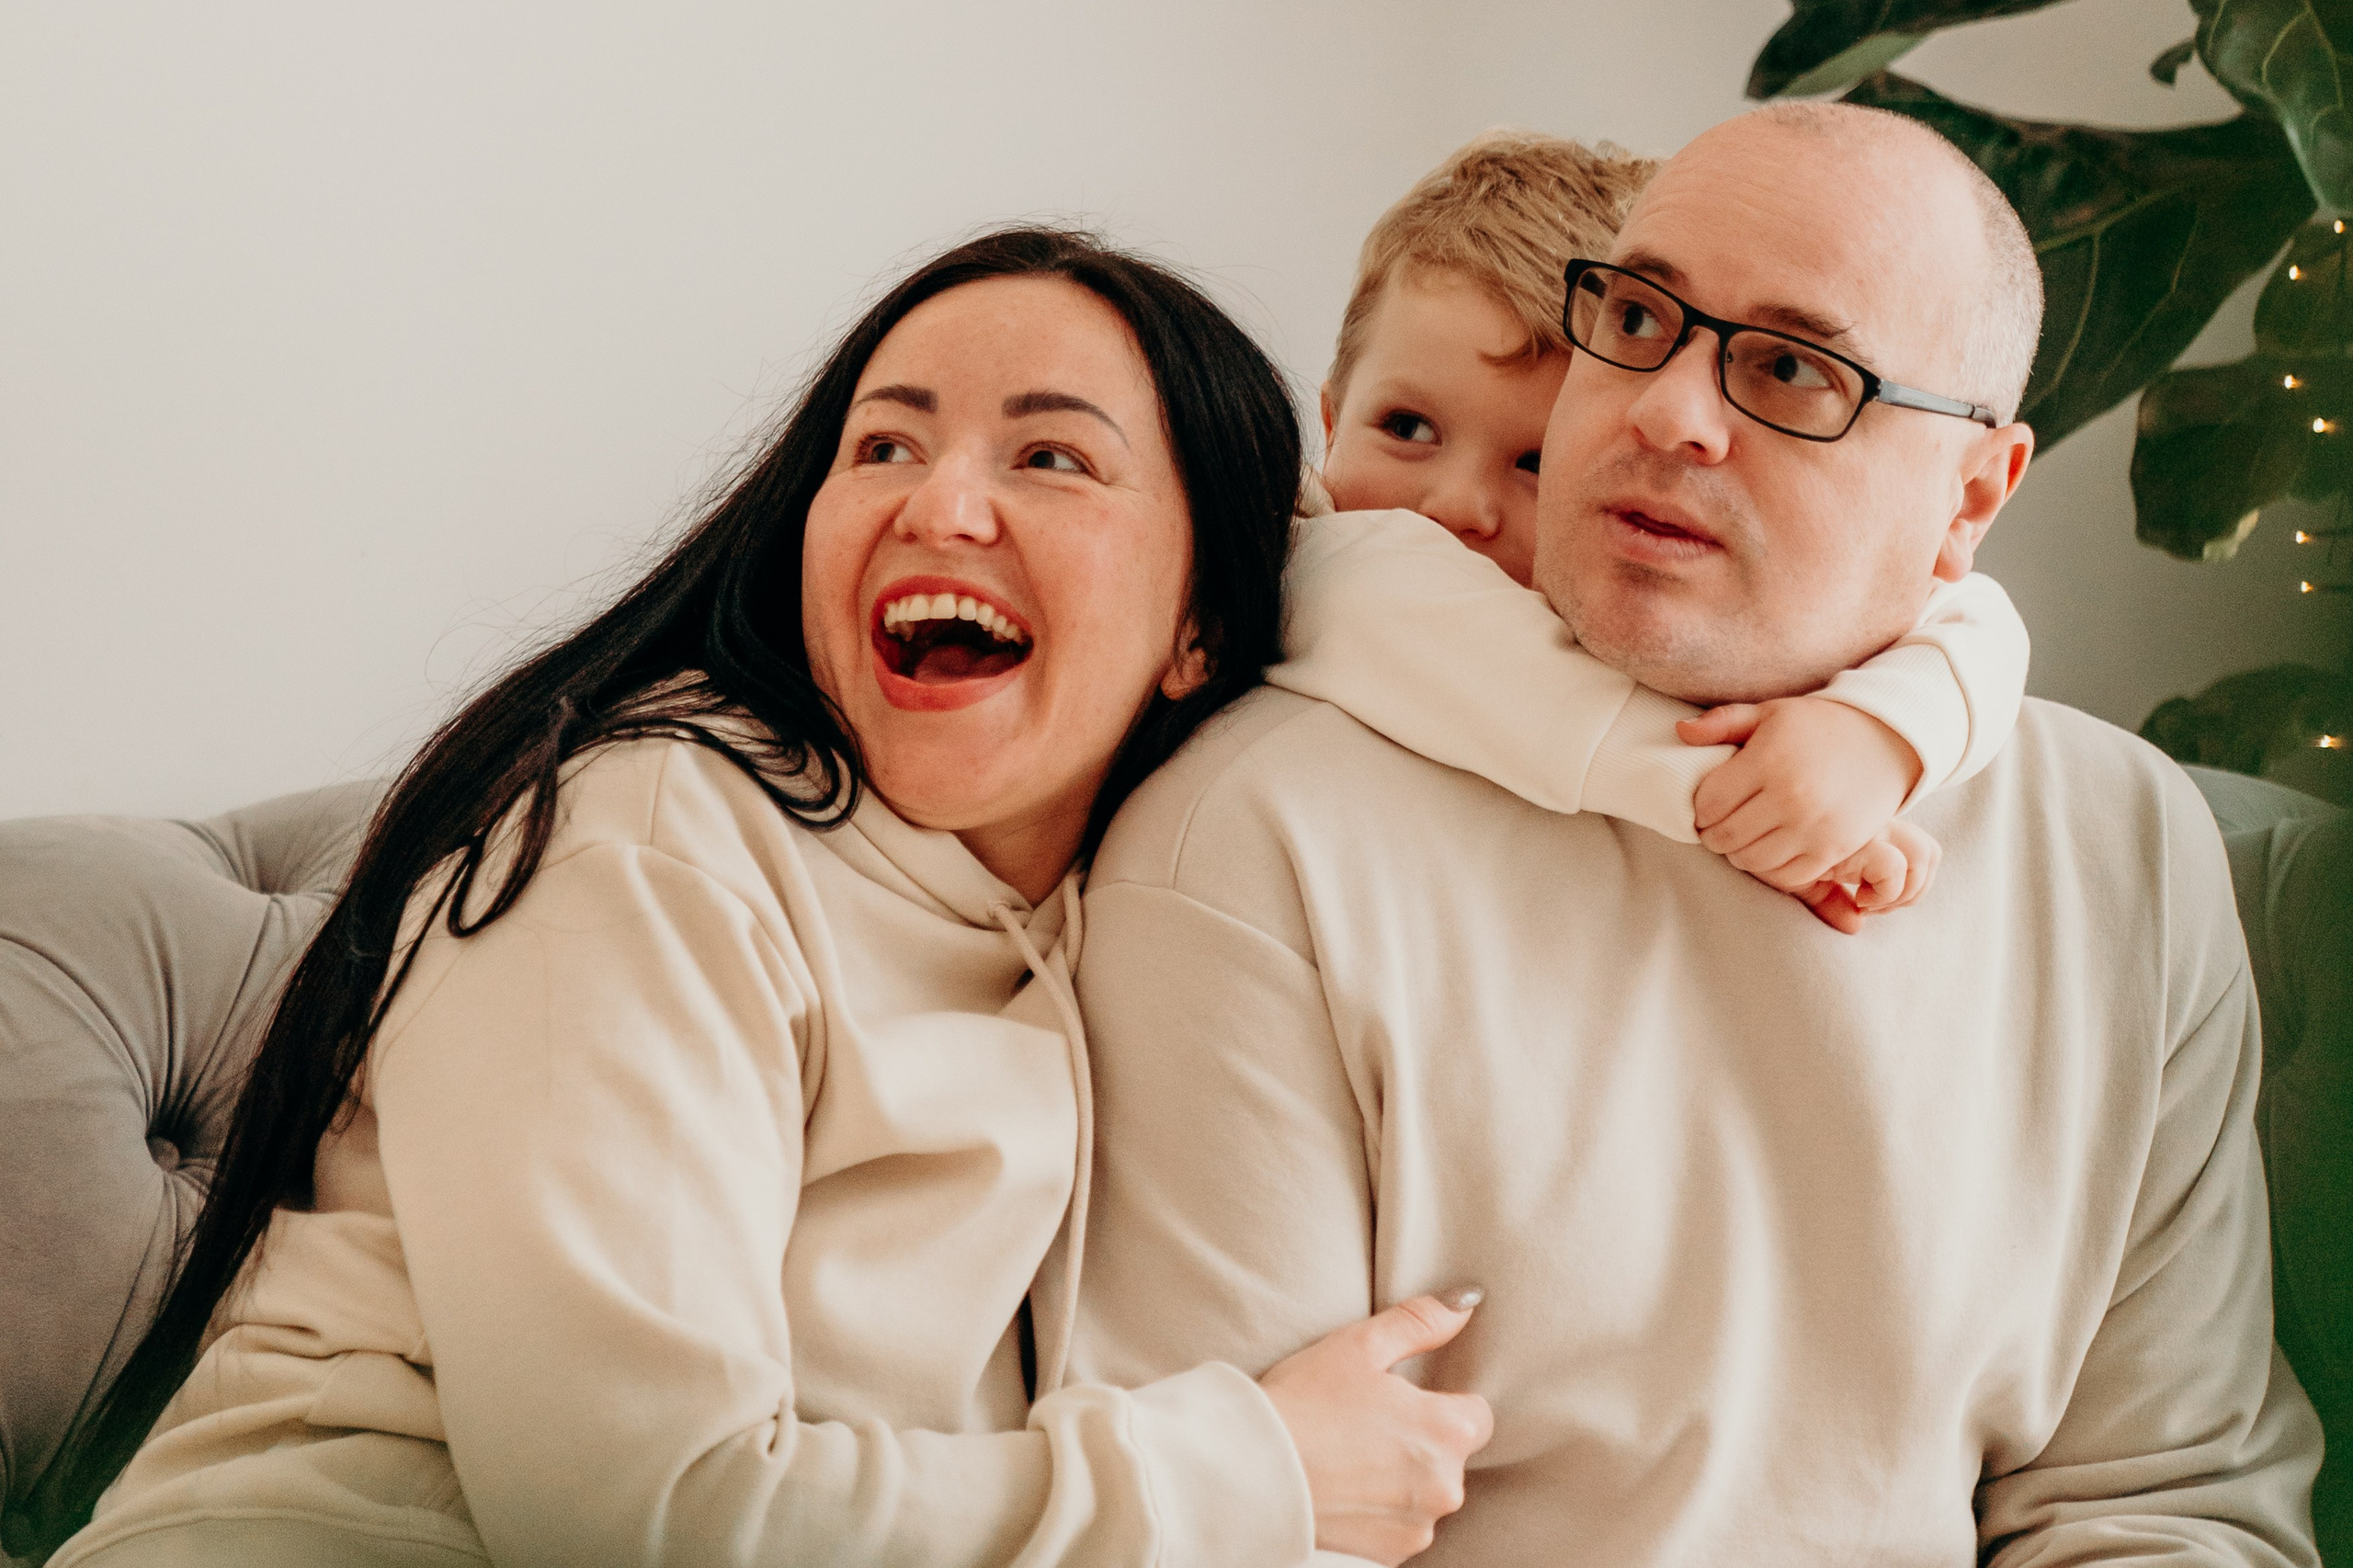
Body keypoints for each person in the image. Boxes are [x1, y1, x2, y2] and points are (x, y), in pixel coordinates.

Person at [40, 228, 1495, 1568]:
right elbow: (638, 1514)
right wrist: (1255, 1469)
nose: (942, 499)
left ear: (1203, 630)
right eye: (883, 443)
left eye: (1051, 457)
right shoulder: (651, 832)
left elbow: (1412, 602)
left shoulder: (1104, 924)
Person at [1068, 104, 2326, 1564]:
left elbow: (2164, 1496)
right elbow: (1234, 1525)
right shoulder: (1252, 832)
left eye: (1793, 366)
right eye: (1641, 317)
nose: (1666, 412)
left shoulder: (2121, 842)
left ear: (1972, 494)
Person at [1280, 128, 2036, 924]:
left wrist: (1880, 737)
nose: (1456, 507)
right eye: (1406, 426)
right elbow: (1484, 674)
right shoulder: (1305, 554)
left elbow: (1978, 617)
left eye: (1534, 462)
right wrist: (1743, 803)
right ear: (1331, 420)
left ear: (1970, 499)